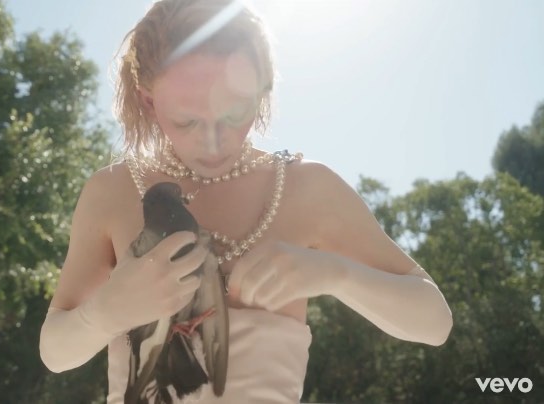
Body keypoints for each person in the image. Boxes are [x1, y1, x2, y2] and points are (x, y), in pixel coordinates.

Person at [39, 0, 453, 402]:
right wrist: (105, 313)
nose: (213, 142)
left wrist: (335, 274)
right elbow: (54, 353)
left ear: (262, 90)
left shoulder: (307, 188)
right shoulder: (112, 191)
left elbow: (434, 322)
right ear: (148, 100)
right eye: (188, 120)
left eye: (236, 114)